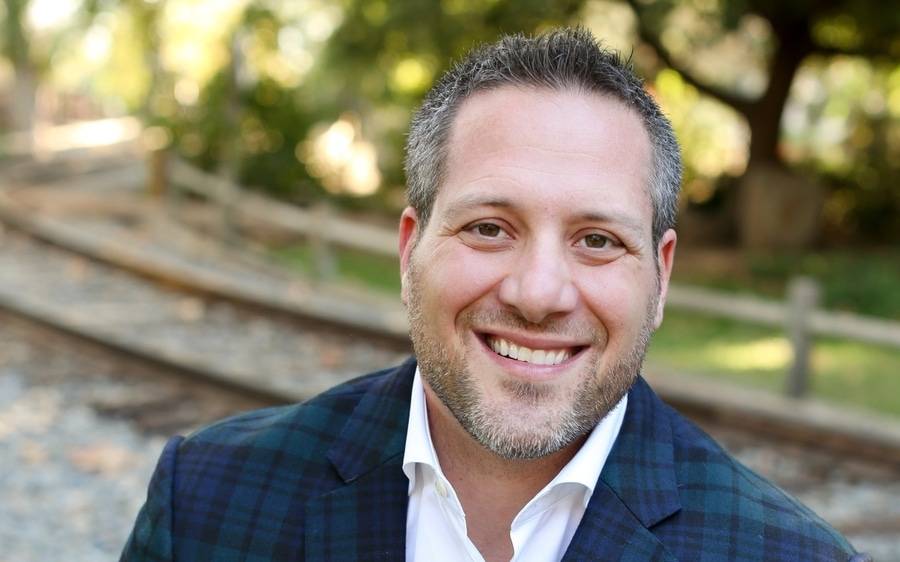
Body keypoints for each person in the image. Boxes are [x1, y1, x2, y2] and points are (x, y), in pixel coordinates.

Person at [121, 28, 869, 562]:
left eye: (598, 240)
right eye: (489, 227)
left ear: (661, 275)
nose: (539, 293)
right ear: (411, 247)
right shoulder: (208, 500)